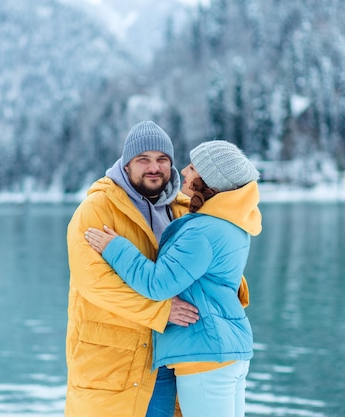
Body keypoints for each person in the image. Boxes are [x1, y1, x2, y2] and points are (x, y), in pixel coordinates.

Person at [84, 140, 262, 417]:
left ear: (207, 180)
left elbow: (157, 285)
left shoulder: (201, 232)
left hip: (205, 353)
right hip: (229, 351)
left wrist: (116, 248)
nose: (184, 171)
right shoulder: (233, 225)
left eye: (192, 168)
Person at [64, 121, 202, 417]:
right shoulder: (96, 209)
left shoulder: (183, 210)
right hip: (111, 364)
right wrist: (161, 311)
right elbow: (95, 284)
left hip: (168, 362)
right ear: (126, 165)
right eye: (144, 159)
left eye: (162, 159)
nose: (154, 168)